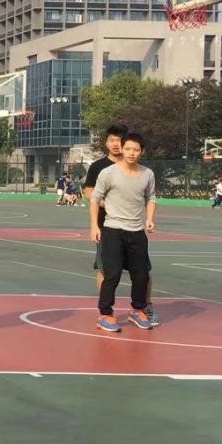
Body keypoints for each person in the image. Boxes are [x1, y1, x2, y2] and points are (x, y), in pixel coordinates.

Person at [82, 123, 156, 326]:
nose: (131, 153)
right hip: (112, 230)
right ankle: (105, 313)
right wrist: (94, 227)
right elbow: (94, 197)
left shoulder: (147, 174)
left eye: (136, 150)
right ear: (122, 149)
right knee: (111, 273)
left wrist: (150, 219)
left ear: (141, 151)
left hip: (137, 231)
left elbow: (151, 197)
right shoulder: (107, 172)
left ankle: (139, 309)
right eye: (128, 149)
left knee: (141, 274)